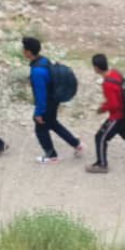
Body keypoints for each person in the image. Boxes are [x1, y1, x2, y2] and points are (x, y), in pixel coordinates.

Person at [22, 36, 83, 165]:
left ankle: (51, 156)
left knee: (40, 129)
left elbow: (41, 94)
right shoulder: (43, 60)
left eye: (24, 49)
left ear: (28, 52)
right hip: (54, 98)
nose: (23, 51)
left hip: (47, 102)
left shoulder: (37, 71)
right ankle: (76, 144)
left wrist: (38, 113)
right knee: (53, 123)